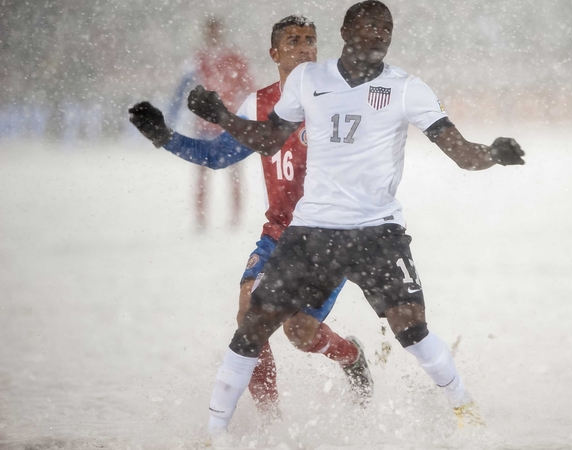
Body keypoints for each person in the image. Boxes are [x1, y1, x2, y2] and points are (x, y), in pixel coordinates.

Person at [189, 0, 525, 433]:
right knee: (253, 324)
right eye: (370, 26)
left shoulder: (407, 88)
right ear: (347, 30)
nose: (380, 34)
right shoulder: (309, 79)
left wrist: (492, 154)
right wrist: (221, 117)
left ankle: (465, 407)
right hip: (311, 232)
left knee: (412, 329)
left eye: (387, 28)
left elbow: (460, 153)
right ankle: (215, 434)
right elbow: (269, 140)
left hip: (377, 233)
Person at [128, 15, 373, 421]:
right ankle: (270, 425)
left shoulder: (341, 100)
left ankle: (350, 356)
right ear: (274, 53)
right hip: (279, 233)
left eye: (311, 40)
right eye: (293, 40)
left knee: (299, 333)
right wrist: (164, 137)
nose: (304, 48)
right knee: (249, 317)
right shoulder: (258, 104)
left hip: (330, 237)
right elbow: (216, 156)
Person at [178, 17, 254, 231]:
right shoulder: (198, 59)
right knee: (203, 175)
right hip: (204, 125)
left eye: (215, 30)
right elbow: (183, 87)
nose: (213, 34)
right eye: (210, 30)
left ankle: (235, 219)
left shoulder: (234, 58)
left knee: (235, 173)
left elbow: (248, 87)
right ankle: (201, 219)